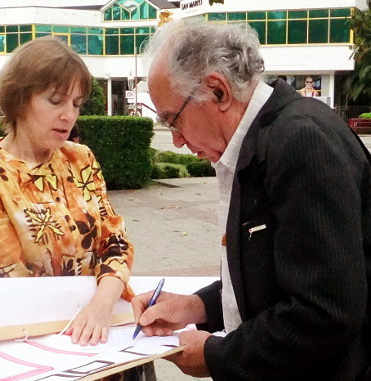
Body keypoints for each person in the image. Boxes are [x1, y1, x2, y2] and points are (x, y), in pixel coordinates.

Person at [132, 20, 370, 380]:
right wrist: (199, 306)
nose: (177, 140)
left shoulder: (300, 142)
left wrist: (218, 356)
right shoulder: (263, 138)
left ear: (218, 92)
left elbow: (325, 310)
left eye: (173, 120)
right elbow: (278, 275)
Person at [0, 37, 134, 348]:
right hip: (44, 344)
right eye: (56, 101)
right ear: (18, 100)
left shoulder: (80, 159)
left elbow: (115, 242)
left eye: (76, 103)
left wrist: (100, 306)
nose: (69, 115)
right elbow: (11, 284)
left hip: (108, 333)